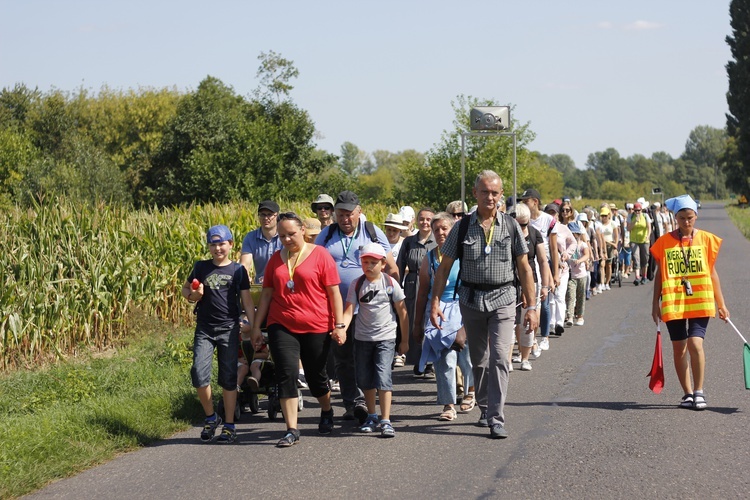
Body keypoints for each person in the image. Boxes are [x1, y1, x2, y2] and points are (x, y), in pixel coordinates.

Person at [430, 170, 538, 439]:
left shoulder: (511, 226)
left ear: (501, 195)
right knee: (480, 360)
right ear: (475, 194)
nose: (490, 197)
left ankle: (496, 417)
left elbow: (524, 268)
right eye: (485, 192)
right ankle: (484, 405)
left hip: (503, 299)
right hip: (471, 300)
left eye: (495, 193)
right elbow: (444, 268)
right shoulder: (462, 227)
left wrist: (532, 306)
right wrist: (434, 302)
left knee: (500, 358)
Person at [250, 212, 346, 447]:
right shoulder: (275, 259)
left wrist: (340, 325)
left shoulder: (321, 255)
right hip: (281, 323)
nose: (287, 240)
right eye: (282, 236)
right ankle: (292, 429)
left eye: (291, 234)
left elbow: (334, 293)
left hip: (316, 325)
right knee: (287, 374)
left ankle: (326, 409)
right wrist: (255, 327)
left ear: (302, 230)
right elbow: (266, 296)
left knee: (316, 377)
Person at [315, 191, 399, 422]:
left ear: (359, 212)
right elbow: (313, 264)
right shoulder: (327, 234)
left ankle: (367, 401)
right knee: (343, 357)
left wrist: (393, 301)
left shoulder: (372, 232)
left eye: (349, 214)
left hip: (369, 310)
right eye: (340, 214)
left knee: (365, 357)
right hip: (336, 309)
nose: (345, 219)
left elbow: (391, 268)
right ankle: (352, 403)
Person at [650, 195, 729, 411]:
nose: (686, 222)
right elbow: (659, 274)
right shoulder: (664, 242)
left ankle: (699, 391)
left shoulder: (706, 239)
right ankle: (686, 393)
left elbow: (712, 273)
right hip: (673, 301)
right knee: (679, 348)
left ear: (696, 216)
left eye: (690, 218)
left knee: (695, 343)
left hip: (700, 301)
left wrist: (721, 304)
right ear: (675, 218)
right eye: (682, 218)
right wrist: (654, 303)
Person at [183, 224, 255, 444]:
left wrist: (254, 326)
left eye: (222, 243)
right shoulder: (200, 267)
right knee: (198, 372)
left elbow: (247, 299)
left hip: (229, 328)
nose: (217, 248)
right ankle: (211, 417)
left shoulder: (237, 270)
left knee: (228, 378)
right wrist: (193, 295)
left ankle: (230, 425)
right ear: (209, 246)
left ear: (230, 244)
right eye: (213, 244)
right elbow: (186, 290)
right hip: (205, 328)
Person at [342, 243, 409, 437]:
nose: (369, 266)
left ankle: (386, 419)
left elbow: (402, 312)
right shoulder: (357, 284)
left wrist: (404, 341)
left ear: (382, 263)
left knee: (383, 376)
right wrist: (342, 329)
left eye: (373, 262)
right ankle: (372, 415)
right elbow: (348, 311)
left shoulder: (390, 283)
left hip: (386, 338)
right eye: (365, 262)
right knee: (364, 378)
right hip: (362, 338)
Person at [413, 212, 475, 421]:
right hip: (437, 310)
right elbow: (422, 293)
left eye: (444, 228)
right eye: (436, 229)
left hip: (462, 307)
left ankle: (470, 391)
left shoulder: (464, 254)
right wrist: (417, 324)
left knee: (466, 355)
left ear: (453, 230)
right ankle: (449, 404)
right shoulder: (429, 258)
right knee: (444, 359)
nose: (440, 233)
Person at [397, 207, 437, 376]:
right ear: (416, 221)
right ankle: (418, 360)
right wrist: (396, 287)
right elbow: (399, 266)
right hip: (413, 284)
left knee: (431, 322)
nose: (425, 222)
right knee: (415, 321)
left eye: (428, 219)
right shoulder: (409, 242)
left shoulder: (438, 240)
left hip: (434, 283)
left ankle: (431, 362)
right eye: (421, 219)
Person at [511, 202, 550, 370]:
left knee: (528, 320)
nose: (522, 228)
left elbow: (542, 261)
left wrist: (545, 286)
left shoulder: (535, 234)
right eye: (519, 225)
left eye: (525, 224)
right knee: (510, 321)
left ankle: (525, 358)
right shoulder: (507, 235)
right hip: (510, 282)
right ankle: (508, 359)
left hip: (530, 281)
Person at [521, 188, 559, 352]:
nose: (523, 204)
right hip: (528, 265)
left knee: (543, 304)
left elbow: (553, 248)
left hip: (544, 265)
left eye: (526, 201)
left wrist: (554, 274)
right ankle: (531, 341)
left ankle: (544, 337)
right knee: (529, 305)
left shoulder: (548, 220)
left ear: (535, 202)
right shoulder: (522, 219)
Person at [240, 200, 282, 284]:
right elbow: (245, 263)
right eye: (262, 214)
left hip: (282, 283)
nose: (266, 218)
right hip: (261, 285)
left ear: (277, 216)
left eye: (269, 215)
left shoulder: (285, 236)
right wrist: (244, 276)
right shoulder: (250, 237)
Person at [565, 222, 590, 326]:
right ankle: (570, 316)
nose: (573, 236)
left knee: (580, 297)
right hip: (571, 275)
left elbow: (587, 255)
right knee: (570, 296)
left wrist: (580, 261)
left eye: (575, 234)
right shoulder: (566, 246)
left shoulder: (582, 245)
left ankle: (580, 316)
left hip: (581, 275)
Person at [628, 202, 651, 286]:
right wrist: (634, 221)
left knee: (645, 258)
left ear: (641, 210)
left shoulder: (645, 216)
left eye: (639, 210)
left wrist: (648, 236)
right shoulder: (631, 217)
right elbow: (628, 228)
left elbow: (649, 227)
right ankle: (637, 277)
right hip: (634, 240)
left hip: (644, 240)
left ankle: (644, 276)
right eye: (636, 211)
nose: (637, 212)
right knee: (636, 257)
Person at [599, 205, 619, 291]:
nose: (604, 217)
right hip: (602, 245)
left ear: (608, 215)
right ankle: (602, 282)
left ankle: (607, 282)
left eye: (605, 216)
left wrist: (615, 245)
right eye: (602, 216)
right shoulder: (599, 224)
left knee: (609, 265)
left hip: (610, 245)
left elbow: (616, 236)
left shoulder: (612, 223)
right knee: (602, 264)